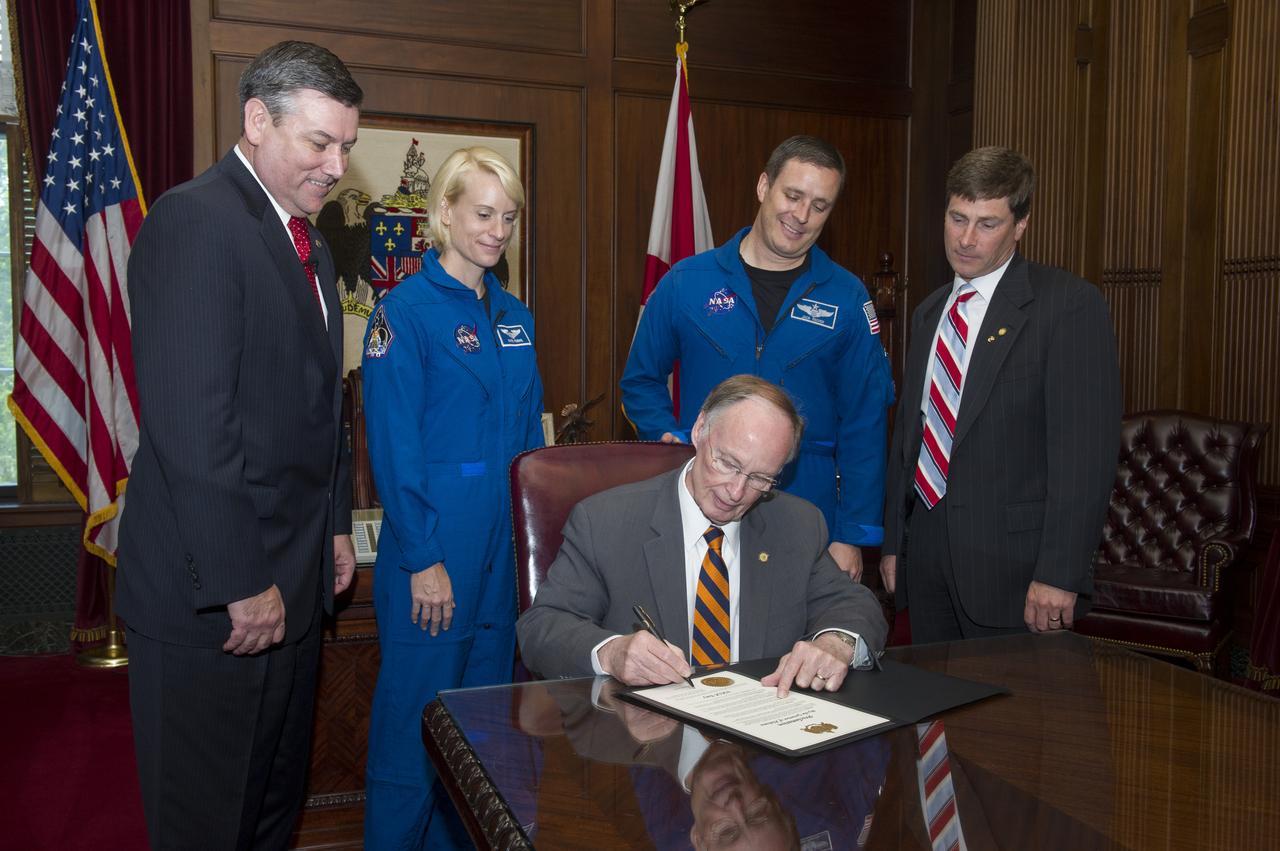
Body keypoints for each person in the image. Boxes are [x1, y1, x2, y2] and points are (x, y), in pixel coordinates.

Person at [117, 41, 361, 850]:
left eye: (347, 147)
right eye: (319, 142)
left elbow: (320, 409)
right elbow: (195, 429)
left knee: (267, 816)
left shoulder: (312, 246)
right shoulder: (195, 220)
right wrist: (243, 581)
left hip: (291, 590)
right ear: (257, 120)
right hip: (215, 600)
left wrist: (332, 526)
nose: (336, 165)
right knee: (207, 825)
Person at [360, 145, 545, 850]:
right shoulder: (400, 314)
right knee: (416, 736)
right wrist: (425, 557)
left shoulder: (517, 318)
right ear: (444, 213)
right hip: (434, 554)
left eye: (509, 216)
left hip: (503, 561)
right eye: (483, 213)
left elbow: (531, 449)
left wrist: (534, 559)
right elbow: (394, 450)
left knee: (481, 742)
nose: (498, 230)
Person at [621, 135, 895, 583]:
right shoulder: (687, 281)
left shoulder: (847, 298)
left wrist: (853, 535)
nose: (802, 216)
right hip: (705, 495)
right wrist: (668, 438)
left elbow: (866, 421)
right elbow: (640, 380)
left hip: (807, 505)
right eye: (793, 195)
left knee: (794, 642)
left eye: (820, 205)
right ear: (764, 186)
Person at [879, 146, 1122, 643]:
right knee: (935, 715)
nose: (966, 239)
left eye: (987, 224)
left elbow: (1084, 457)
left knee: (1011, 721)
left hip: (1016, 575)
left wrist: (1060, 572)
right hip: (925, 565)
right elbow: (911, 441)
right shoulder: (928, 313)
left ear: (1021, 225)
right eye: (957, 218)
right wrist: (894, 546)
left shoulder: (1067, 307)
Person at [517, 375, 887, 695]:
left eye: (760, 478)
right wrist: (611, 652)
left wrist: (835, 643)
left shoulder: (796, 524)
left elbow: (856, 606)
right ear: (699, 431)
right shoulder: (606, 521)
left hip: (761, 747)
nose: (736, 491)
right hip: (644, 750)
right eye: (727, 463)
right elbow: (542, 628)